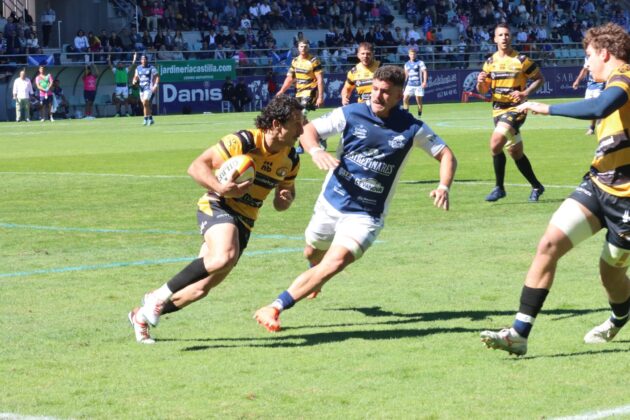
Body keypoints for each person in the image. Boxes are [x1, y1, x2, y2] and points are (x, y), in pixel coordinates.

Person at [253, 66, 457, 332]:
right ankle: (314, 276)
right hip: (331, 202)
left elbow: (446, 155)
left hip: (366, 215)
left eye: (385, 92)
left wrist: (443, 186)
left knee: (334, 263)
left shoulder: (412, 128)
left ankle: (275, 307)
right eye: (374, 89)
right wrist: (315, 151)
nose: (377, 96)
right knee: (312, 252)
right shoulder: (351, 113)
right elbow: (308, 129)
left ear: (399, 95)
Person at [480, 23, 630, 356]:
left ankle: (620, 315)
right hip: (598, 183)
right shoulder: (612, 83)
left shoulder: (625, 78)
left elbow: (597, 108)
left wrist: (544, 107)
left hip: (627, 198)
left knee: (610, 273)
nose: (586, 63)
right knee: (549, 244)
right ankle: (519, 333)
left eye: (588, 55)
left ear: (605, 53)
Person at [128, 95, 305, 344]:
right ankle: (157, 297)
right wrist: (220, 188)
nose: (302, 129)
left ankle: (141, 317)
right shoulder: (242, 141)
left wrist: (285, 199)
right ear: (277, 124)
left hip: (245, 222)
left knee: (200, 289)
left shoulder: (291, 159)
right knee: (224, 256)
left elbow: (281, 202)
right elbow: (196, 166)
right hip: (217, 205)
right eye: (297, 123)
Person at [477, 23, 546, 203]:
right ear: (495, 39)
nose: (504, 38)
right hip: (498, 109)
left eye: (507, 35)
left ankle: (499, 187)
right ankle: (537, 186)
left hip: (517, 109)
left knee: (495, 144)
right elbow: (483, 89)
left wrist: (524, 93)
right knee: (516, 153)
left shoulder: (522, 60)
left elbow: (539, 79)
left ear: (511, 37)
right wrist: (480, 81)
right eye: (500, 35)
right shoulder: (490, 62)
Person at [276, 39, 325, 152]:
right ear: (298, 48)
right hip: (299, 93)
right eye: (301, 46)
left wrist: (320, 96)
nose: (303, 49)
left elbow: (320, 79)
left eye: (306, 46)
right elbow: (290, 78)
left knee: (301, 116)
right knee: (300, 118)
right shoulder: (295, 61)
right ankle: (320, 136)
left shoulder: (314, 61)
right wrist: (282, 90)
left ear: (309, 47)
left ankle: (302, 145)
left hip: (311, 92)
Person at [572, 57, 606, 135]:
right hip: (590, 86)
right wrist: (577, 81)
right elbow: (585, 70)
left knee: (600, 108)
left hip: (600, 85)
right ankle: (592, 127)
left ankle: (601, 128)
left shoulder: (602, 56)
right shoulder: (588, 57)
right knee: (590, 108)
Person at [132, 54, 160, 126]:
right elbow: (135, 77)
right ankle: (150, 118)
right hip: (141, 88)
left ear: (147, 60)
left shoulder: (151, 68)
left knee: (145, 102)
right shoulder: (138, 68)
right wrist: (134, 81)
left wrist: (155, 85)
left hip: (149, 87)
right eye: (142, 59)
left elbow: (157, 76)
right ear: (141, 60)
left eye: (145, 59)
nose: (143, 61)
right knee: (145, 105)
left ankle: (145, 119)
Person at [109, 52, 137, 117]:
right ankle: (118, 113)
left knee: (126, 100)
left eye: (121, 64)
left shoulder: (126, 70)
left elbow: (132, 64)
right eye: (119, 64)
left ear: (123, 65)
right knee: (117, 100)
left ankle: (127, 112)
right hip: (118, 87)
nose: (120, 65)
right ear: (118, 65)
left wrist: (134, 58)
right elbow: (110, 65)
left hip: (125, 87)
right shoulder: (115, 70)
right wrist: (109, 58)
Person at [403, 48, 428, 117]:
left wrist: (424, 81)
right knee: (405, 99)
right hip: (409, 85)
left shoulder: (420, 62)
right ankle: (406, 114)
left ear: (416, 55)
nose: (413, 55)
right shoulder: (406, 64)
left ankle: (419, 114)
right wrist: (403, 85)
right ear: (409, 55)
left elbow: (424, 72)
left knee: (418, 100)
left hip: (418, 85)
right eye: (411, 54)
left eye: (414, 54)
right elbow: (406, 75)